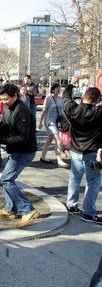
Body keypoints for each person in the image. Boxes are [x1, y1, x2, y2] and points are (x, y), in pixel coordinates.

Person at [0, 83, 39, 228]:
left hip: (24, 151)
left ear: (15, 96)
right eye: (1, 99)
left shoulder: (22, 110)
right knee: (6, 178)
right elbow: (5, 126)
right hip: (16, 150)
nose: (3, 102)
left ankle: (28, 210)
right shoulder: (6, 107)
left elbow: (23, 137)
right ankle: (10, 209)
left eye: (6, 99)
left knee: (7, 180)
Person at [63, 76, 102, 224]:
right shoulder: (98, 113)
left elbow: (66, 97)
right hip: (91, 152)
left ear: (83, 97)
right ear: (97, 100)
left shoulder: (73, 110)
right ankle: (88, 212)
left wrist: (72, 83)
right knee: (93, 182)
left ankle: (71, 205)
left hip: (75, 151)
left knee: (75, 178)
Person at [38, 83, 69, 168]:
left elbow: (62, 111)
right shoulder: (48, 98)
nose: (58, 90)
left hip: (57, 123)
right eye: (56, 89)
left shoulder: (60, 99)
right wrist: (40, 122)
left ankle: (43, 157)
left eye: (59, 89)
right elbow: (44, 111)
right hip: (49, 122)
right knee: (58, 140)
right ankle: (59, 160)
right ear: (52, 90)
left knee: (49, 140)